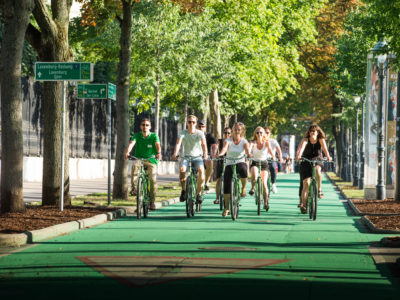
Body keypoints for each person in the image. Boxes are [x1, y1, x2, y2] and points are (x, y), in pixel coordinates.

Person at [124, 118, 162, 211]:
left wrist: (159, 153)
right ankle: (134, 189)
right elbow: (132, 143)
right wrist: (127, 152)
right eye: (143, 125)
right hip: (139, 159)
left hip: (151, 160)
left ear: (150, 127)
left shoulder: (154, 136)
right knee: (135, 167)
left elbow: (157, 145)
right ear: (141, 126)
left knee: (152, 180)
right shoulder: (137, 135)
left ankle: (152, 202)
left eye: (147, 125)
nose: (145, 127)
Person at [295, 124, 332, 214]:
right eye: (311, 130)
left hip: (317, 159)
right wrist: (298, 156)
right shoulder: (305, 140)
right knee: (306, 183)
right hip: (306, 160)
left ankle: (319, 190)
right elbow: (301, 148)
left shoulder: (321, 140)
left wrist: (328, 157)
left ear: (318, 132)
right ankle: (303, 205)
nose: (312, 132)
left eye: (314, 130)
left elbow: (325, 150)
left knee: (317, 170)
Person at [217, 122, 251, 217]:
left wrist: (249, 154)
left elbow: (247, 150)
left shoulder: (244, 141)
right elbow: (224, 149)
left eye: (238, 130)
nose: (236, 131)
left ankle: (243, 188)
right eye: (235, 129)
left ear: (241, 131)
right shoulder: (228, 140)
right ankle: (227, 208)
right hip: (229, 163)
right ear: (232, 130)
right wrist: (220, 154)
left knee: (244, 169)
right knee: (227, 185)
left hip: (240, 161)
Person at [172, 115, 208, 204]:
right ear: (187, 123)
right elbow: (178, 144)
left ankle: (199, 194)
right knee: (182, 170)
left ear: (195, 123)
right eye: (189, 122)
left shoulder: (200, 133)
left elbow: (204, 144)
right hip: (186, 157)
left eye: (193, 122)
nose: (191, 123)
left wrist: (205, 154)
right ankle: (184, 190)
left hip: (197, 157)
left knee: (201, 171)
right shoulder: (183, 133)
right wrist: (175, 153)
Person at [249, 127, 275, 211]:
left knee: (264, 183)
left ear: (263, 134)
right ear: (255, 134)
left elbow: (270, 151)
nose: (259, 134)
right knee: (254, 175)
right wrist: (249, 154)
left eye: (261, 132)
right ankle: (253, 188)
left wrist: (273, 156)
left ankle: (266, 203)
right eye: (257, 133)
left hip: (264, 163)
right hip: (255, 162)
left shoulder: (266, 143)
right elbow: (249, 149)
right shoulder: (253, 142)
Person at [197, 120, 217, 190]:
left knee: (210, 162)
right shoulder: (193, 134)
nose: (201, 128)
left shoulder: (209, 135)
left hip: (205, 155)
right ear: (196, 127)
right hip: (195, 155)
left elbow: (214, 146)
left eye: (203, 126)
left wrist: (213, 154)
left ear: (205, 128)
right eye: (199, 126)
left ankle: (206, 182)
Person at [214, 127, 231, 204]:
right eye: (225, 133)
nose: (226, 134)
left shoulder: (232, 141)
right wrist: (214, 154)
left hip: (229, 162)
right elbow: (216, 147)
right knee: (218, 180)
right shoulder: (220, 141)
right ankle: (217, 198)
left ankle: (233, 196)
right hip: (221, 161)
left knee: (231, 180)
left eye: (228, 133)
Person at [264, 127, 283, 193]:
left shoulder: (273, 141)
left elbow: (279, 150)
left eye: (267, 132)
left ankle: (273, 184)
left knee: (273, 167)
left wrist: (280, 157)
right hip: (261, 159)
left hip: (271, 159)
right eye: (264, 132)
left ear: (270, 133)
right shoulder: (259, 140)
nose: (266, 134)